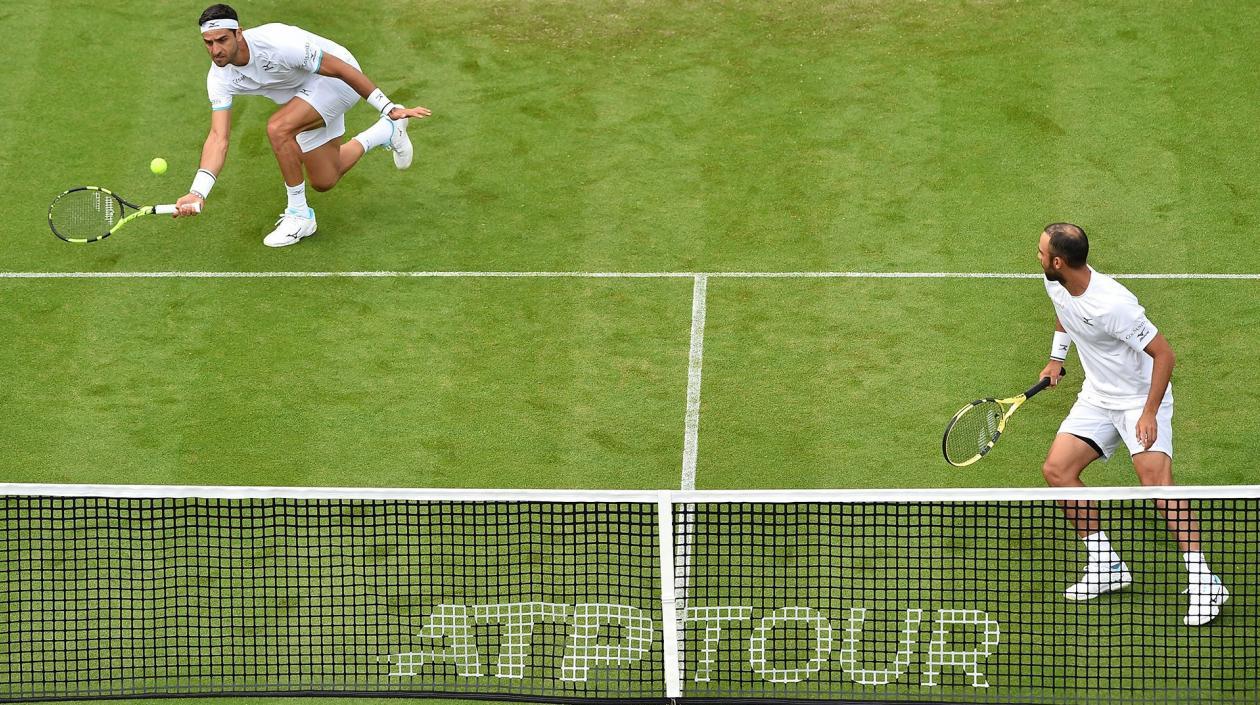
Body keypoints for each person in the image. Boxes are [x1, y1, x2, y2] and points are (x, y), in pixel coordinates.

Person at [1036, 223, 1227, 626]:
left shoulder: (1114, 304)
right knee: (1057, 469)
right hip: (1097, 396)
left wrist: (1149, 412)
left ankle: (1205, 581)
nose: (1037, 257)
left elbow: (1164, 355)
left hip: (1139, 400)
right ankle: (1106, 564)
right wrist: (1056, 358)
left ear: (1059, 261)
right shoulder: (1056, 281)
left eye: (1041, 252)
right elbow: (1064, 311)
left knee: (1157, 484)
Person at [173, 4, 432, 247]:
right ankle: (387, 131)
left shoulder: (277, 43)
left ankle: (299, 215)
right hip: (304, 96)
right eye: (208, 42)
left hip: (338, 81)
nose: (215, 50)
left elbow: (341, 70)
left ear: (238, 34)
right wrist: (198, 192)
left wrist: (388, 107)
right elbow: (218, 137)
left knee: (278, 128)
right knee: (325, 178)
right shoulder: (219, 78)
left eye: (222, 40)